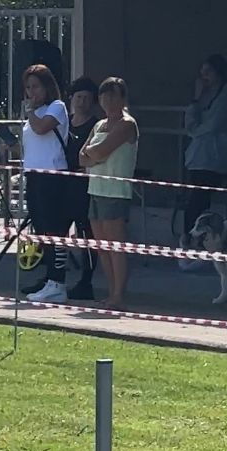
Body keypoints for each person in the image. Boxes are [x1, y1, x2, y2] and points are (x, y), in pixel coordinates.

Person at [79, 76, 139, 311]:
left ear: (123, 98)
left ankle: (118, 294)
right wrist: (94, 156)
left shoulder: (127, 124)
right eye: (104, 94)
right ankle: (110, 290)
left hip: (115, 191)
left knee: (115, 244)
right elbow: (82, 157)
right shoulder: (98, 125)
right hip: (95, 188)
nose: (108, 99)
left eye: (114, 94)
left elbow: (102, 151)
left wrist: (94, 155)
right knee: (102, 245)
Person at [17, 64, 71, 304]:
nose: (31, 92)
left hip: (53, 175)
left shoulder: (56, 108)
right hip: (34, 174)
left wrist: (30, 112)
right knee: (41, 228)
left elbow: (41, 129)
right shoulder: (35, 113)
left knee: (54, 229)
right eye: (28, 87)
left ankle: (58, 282)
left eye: (35, 86)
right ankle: (49, 277)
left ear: (47, 86)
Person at [180, 54, 227, 249]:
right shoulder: (205, 95)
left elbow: (212, 125)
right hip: (198, 157)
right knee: (195, 200)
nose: (204, 77)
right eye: (202, 73)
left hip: (215, 156)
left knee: (199, 200)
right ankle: (192, 240)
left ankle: (196, 241)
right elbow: (190, 123)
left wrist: (196, 129)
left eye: (208, 72)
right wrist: (196, 99)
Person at [64, 76, 103, 300]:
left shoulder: (95, 126)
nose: (82, 102)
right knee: (57, 231)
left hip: (85, 186)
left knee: (86, 233)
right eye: (78, 97)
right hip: (63, 185)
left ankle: (86, 280)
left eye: (87, 99)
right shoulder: (64, 122)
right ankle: (54, 277)